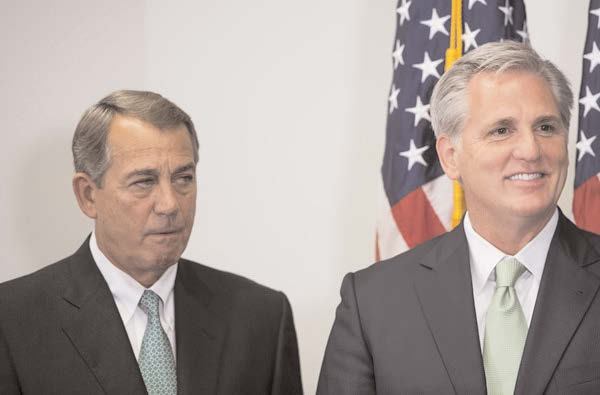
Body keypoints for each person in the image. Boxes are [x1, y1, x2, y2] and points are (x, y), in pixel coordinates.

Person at [317, 41, 600, 395]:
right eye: (502, 130)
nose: (531, 149)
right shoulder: (372, 303)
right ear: (450, 156)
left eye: (546, 127)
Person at [0, 90, 303, 395]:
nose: (170, 204)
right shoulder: (12, 321)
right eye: (144, 182)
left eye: (183, 178)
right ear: (88, 195)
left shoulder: (261, 318)